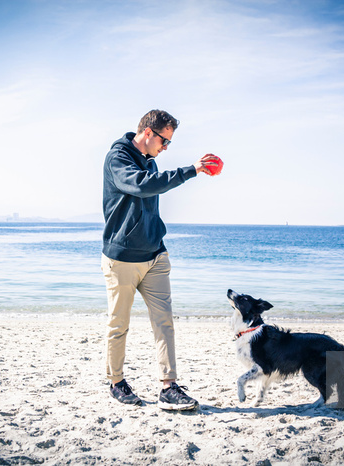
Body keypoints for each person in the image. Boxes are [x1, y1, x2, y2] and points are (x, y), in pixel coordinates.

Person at [101, 109, 219, 410]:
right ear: (148, 133)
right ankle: (116, 382)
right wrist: (190, 170)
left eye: (169, 143)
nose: (165, 148)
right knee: (119, 325)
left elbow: (150, 194)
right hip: (123, 258)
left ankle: (169, 386)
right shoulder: (118, 159)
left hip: (155, 255)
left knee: (164, 323)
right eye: (164, 141)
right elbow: (140, 185)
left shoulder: (150, 162)